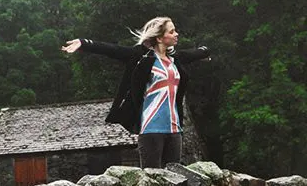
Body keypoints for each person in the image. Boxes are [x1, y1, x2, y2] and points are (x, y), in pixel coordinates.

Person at [61, 17, 210, 168]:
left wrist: (206, 52)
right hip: (151, 129)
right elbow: (112, 50)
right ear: (159, 38)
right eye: (171, 32)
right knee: (153, 177)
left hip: (174, 129)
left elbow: (196, 53)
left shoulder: (175, 60)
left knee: (177, 176)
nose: (176, 34)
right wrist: (84, 43)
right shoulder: (142, 57)